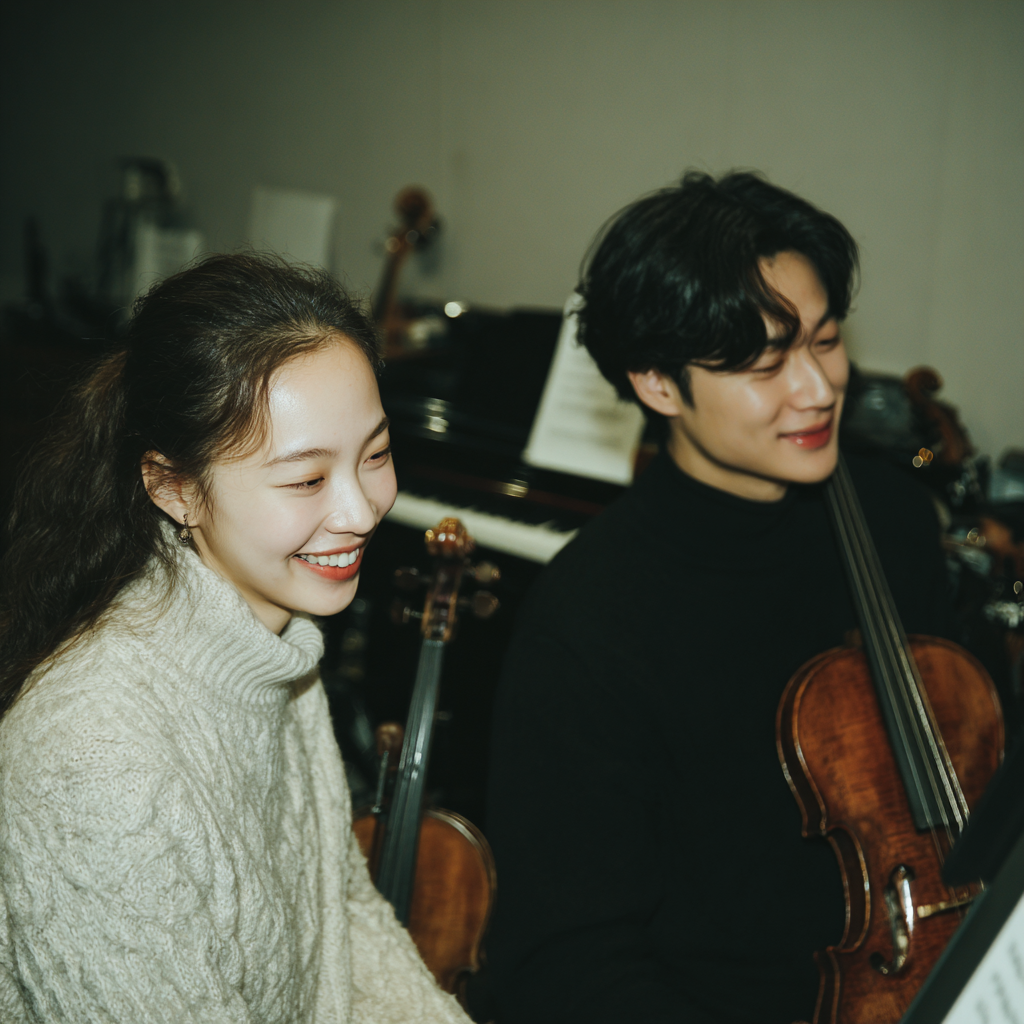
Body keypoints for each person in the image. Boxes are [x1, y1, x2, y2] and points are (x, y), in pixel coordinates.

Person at [485, 172, 951, 1023]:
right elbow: (568, 963)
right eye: (766, 364)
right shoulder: (587, 621)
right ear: (658, 383)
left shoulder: (895, 517)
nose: (817, 388)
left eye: (826, 340)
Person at [0, 254, 470, 1024]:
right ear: (174, 487)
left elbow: (343, 920)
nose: (362, 510)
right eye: (306, 480)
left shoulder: (278, 651)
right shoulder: (90, 758)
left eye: (376, 454)